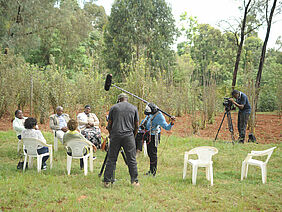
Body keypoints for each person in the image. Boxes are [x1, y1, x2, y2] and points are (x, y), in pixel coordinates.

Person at [103, 93, 139, 188]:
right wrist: (133, 136)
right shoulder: (134, 108)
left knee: (111, 159)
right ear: (126, 99)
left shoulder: (114, 108)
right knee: (131, 159)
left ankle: (107, 181)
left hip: (115, 135)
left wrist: (111, 134)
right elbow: (136, 125)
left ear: (119, 100)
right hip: (129, 136)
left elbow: (109, 124)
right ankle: (134, 181)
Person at [142, 103, 175, 176]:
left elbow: (167, 127)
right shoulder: (150, 114)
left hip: (154, 137)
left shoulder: (159, 116)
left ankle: (153, 172)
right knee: (149, 153)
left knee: (153, 154)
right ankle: (150, 170)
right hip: (148, 135)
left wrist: (171, 122)